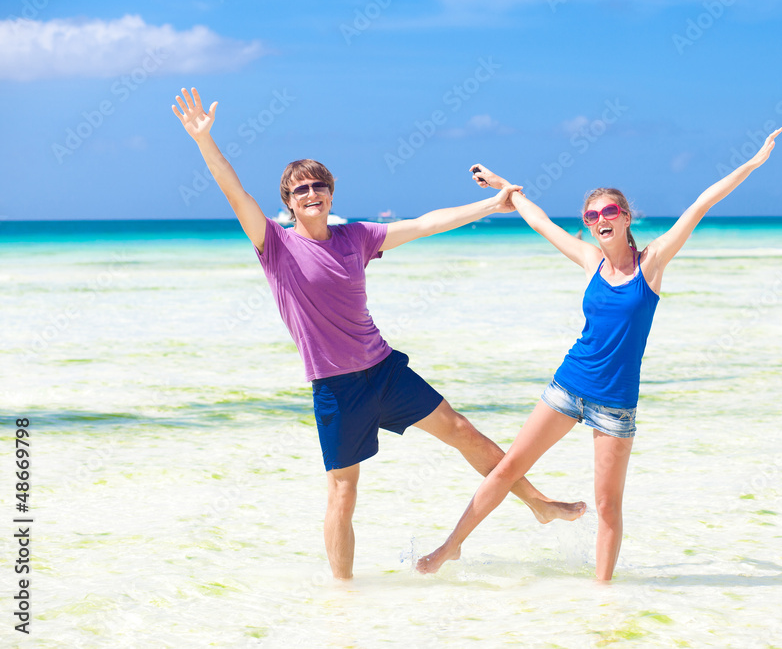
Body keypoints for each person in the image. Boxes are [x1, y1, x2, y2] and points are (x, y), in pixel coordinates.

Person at [171, 87, 586, 580]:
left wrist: (490, 206)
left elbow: (425, 224)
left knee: (464, 432)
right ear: (287, 202)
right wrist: (204, 141)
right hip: (337, 389)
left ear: (330, 193)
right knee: (343, 493)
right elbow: (233, 190)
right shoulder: (274, 245)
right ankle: (343, 596)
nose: (311, 194)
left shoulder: (355, 238)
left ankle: (538, 505)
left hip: (385, 370)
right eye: (301, 189)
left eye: (318, 186)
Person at [418, 128, 782, 580]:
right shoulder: (591, 261)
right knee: (508, 467)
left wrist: (752, 163)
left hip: (615, 404)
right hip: (568, 386)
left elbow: (700, 206)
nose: (600, 218)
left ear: (626, 217)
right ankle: (449, 548)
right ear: (589, 224)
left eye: (610, 210)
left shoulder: (652, 263)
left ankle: (603, 596)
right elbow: (540, 222)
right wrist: (501, 185)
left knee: (608, 505)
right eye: (592, 215)